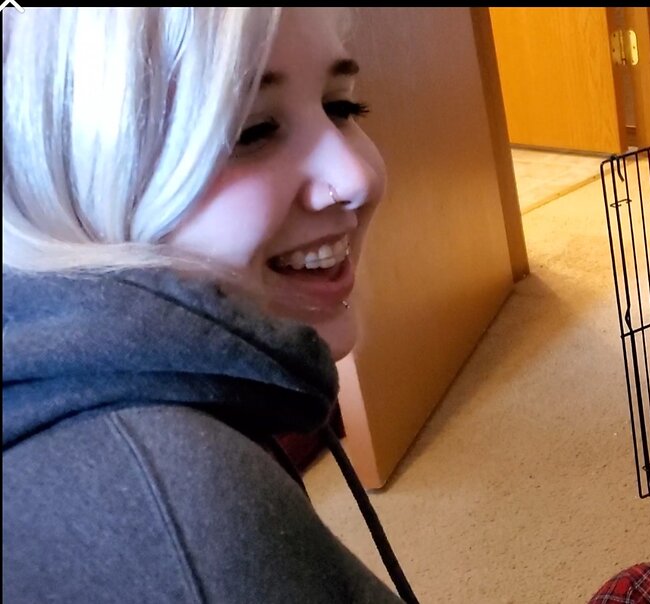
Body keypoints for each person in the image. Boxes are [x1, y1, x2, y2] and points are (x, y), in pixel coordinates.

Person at [2, 7, 417, 603]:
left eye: (341, 106)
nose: (354, 175)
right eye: (251, 131)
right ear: (72, 175)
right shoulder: (191, 513)